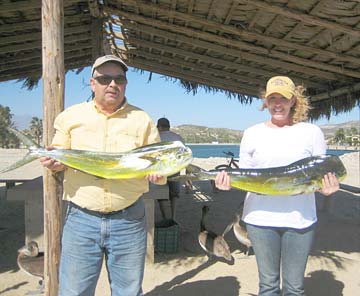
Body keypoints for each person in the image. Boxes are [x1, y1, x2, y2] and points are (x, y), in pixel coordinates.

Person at [40, 55, 165, 296]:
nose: (112, 84)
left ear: (125, 84)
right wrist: (53, 163)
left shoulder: (143, 120)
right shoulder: (71, 116)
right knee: (74, 292)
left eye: (119, 79)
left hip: (130, 219)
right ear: (92, 83)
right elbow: (58, 157)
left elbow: (157, 168)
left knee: (128, 292)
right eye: (105, 78)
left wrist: (159, 176)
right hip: (81, 219)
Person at [215, 76, 340, 296]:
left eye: (284, 98)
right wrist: (227, 183)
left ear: (294, 101)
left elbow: (320, 178)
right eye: (272, 98)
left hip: (300, 220)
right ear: (266, 101)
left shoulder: (312, 133)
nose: (278, 103)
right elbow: (245, 177)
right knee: (268, 286)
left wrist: (327, 190)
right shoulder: (252, 133)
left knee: (294, 288)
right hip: (259, 220)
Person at [156, 117, 185, 220]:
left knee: (161, 195)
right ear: (169, 126)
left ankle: (165, 218)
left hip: (160, 171)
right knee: (174, 195)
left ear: (159, 126)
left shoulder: (156, 137)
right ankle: (173, 217)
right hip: (174, 170)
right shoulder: (178, 137)